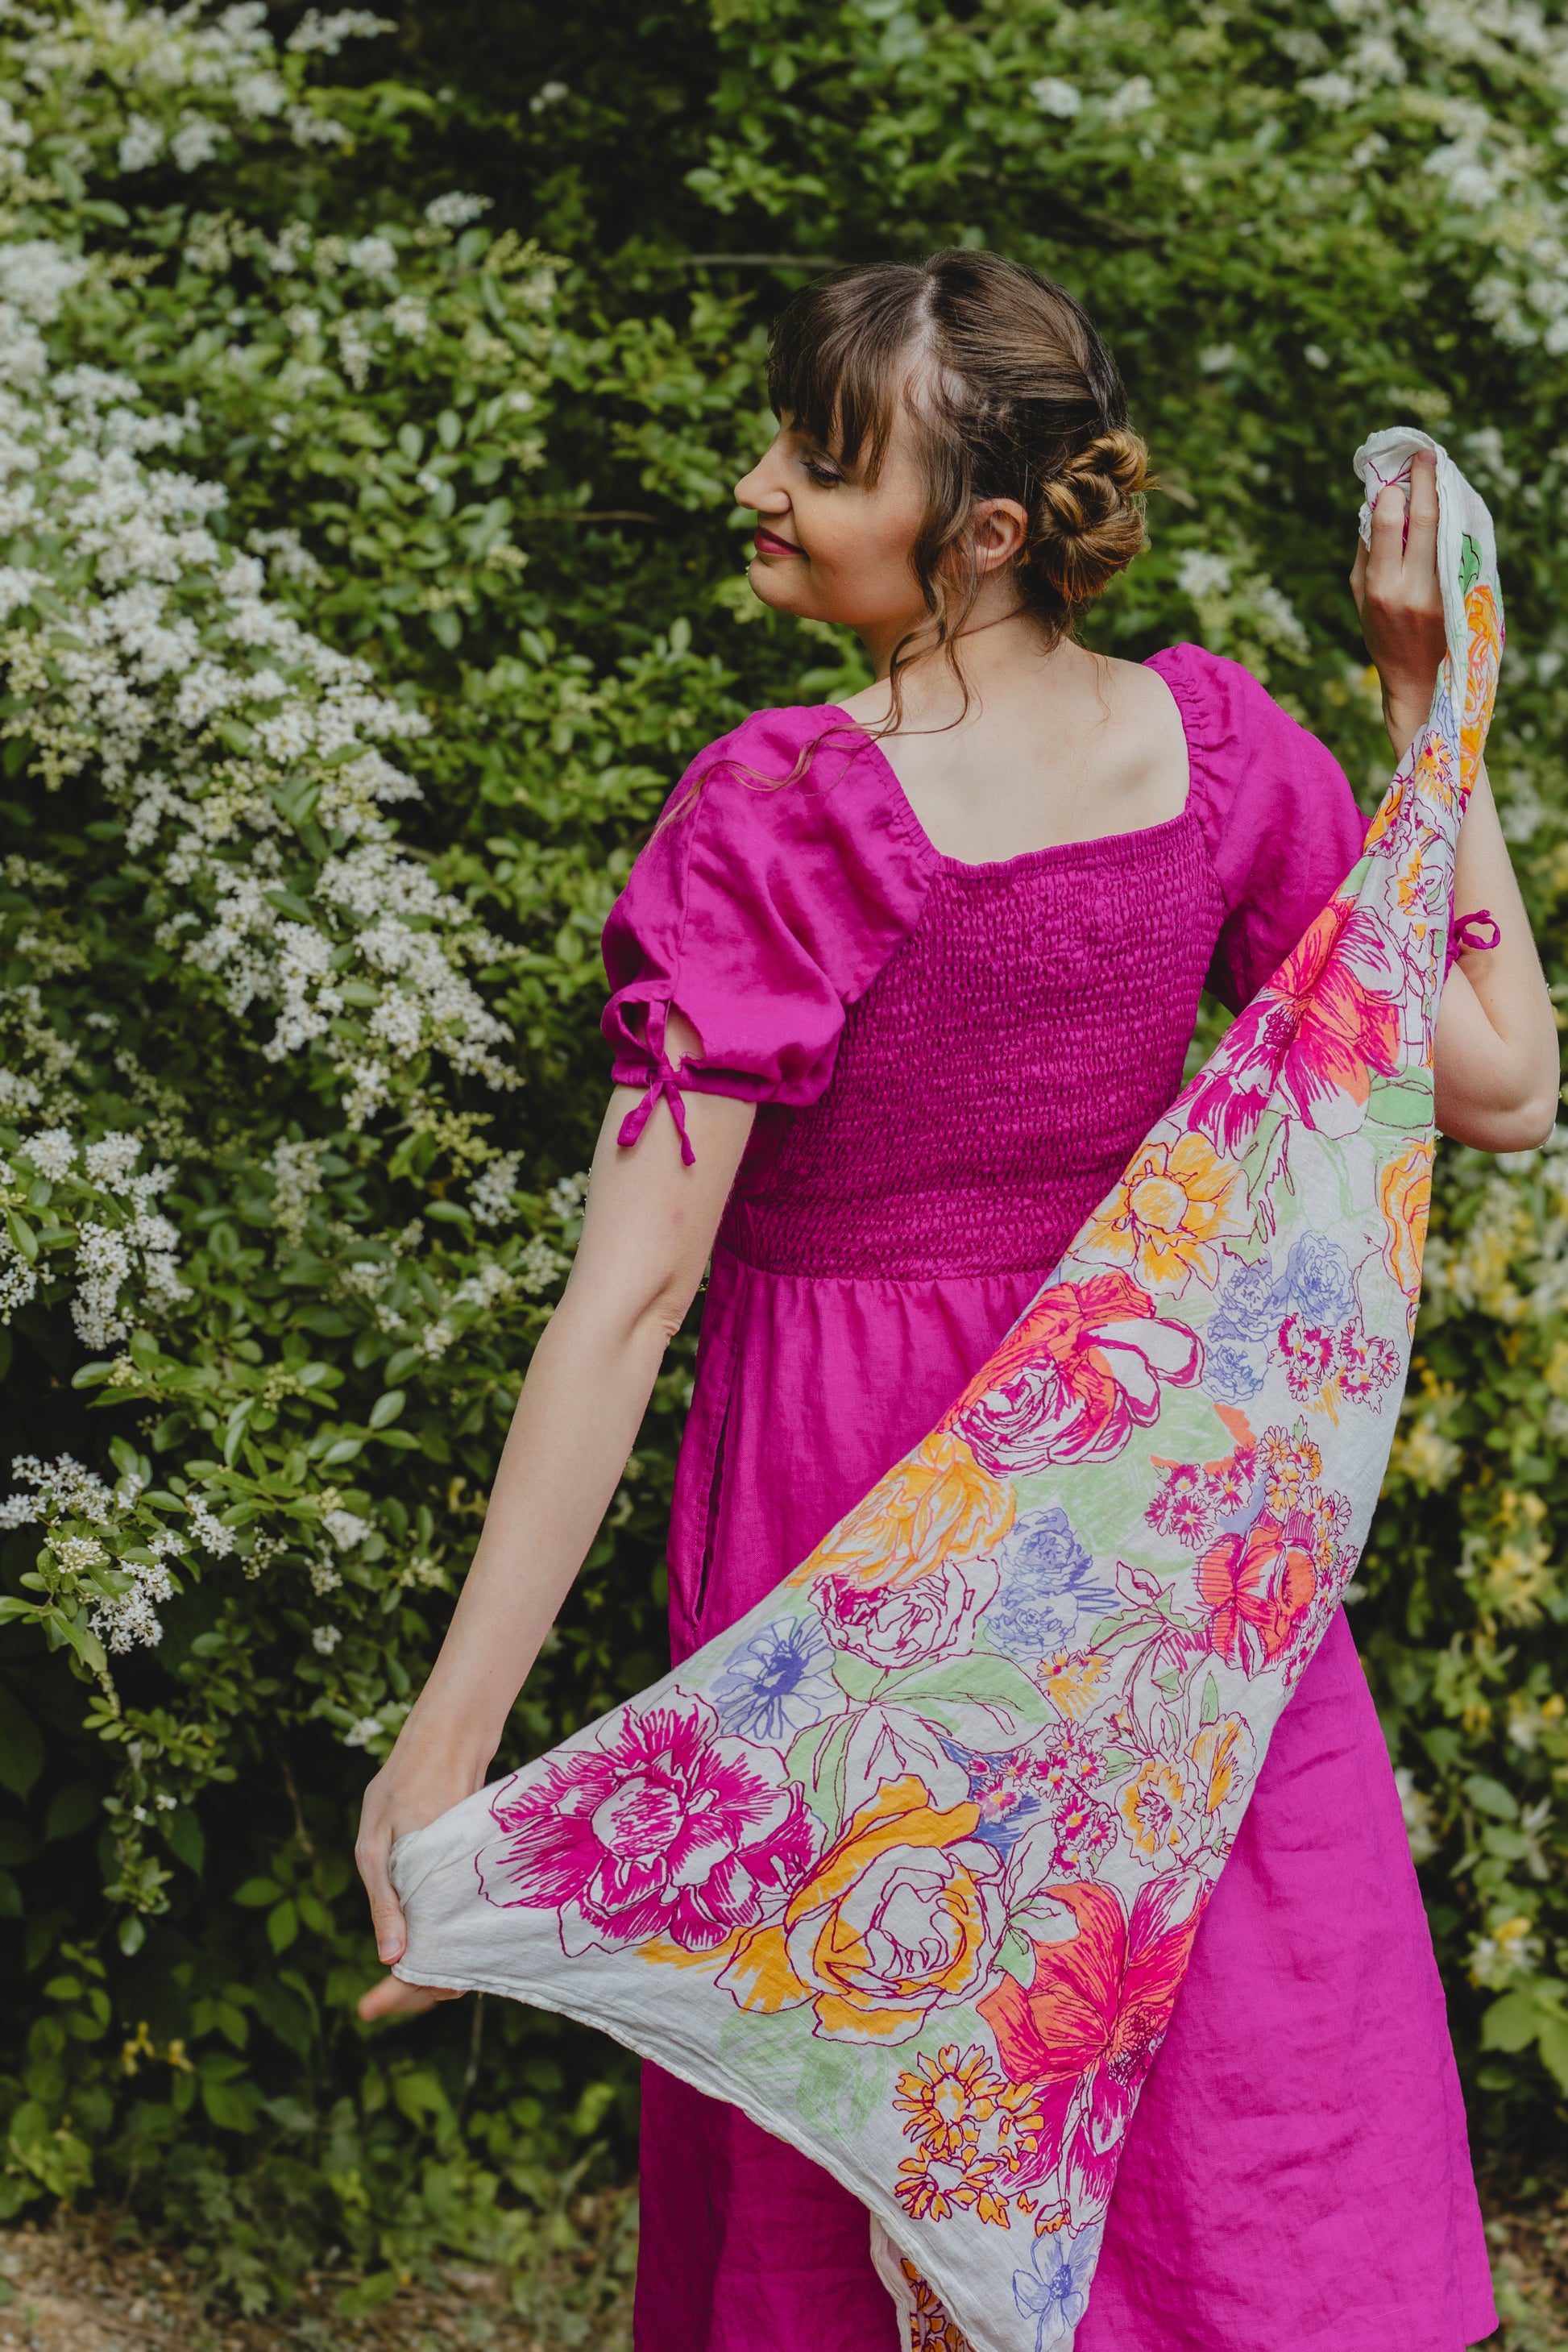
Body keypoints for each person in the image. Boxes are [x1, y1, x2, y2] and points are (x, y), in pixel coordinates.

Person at [354, 251, 1558, 2350]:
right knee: (1187, 2050)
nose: (759, 485)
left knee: (880, 2096)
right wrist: (1425, 715)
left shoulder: (777, 813)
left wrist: (447, 1748)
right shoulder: (1217, 753)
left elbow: (627, 1302)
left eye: (817, 458)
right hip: (1138, 1500)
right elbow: (1506, 1075)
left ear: (981, 528)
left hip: (860, 1528)